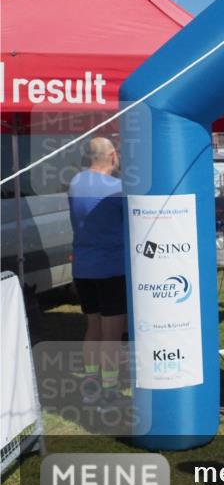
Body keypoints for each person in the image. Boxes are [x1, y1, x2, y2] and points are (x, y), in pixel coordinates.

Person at [68, 137, 128, 407]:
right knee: (112, 334)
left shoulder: (75, 183)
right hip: (111, 268)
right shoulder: (119, 188)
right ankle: (110, 390)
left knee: (93, 327)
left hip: (83, 267)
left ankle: (91, 387)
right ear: (113, 155)